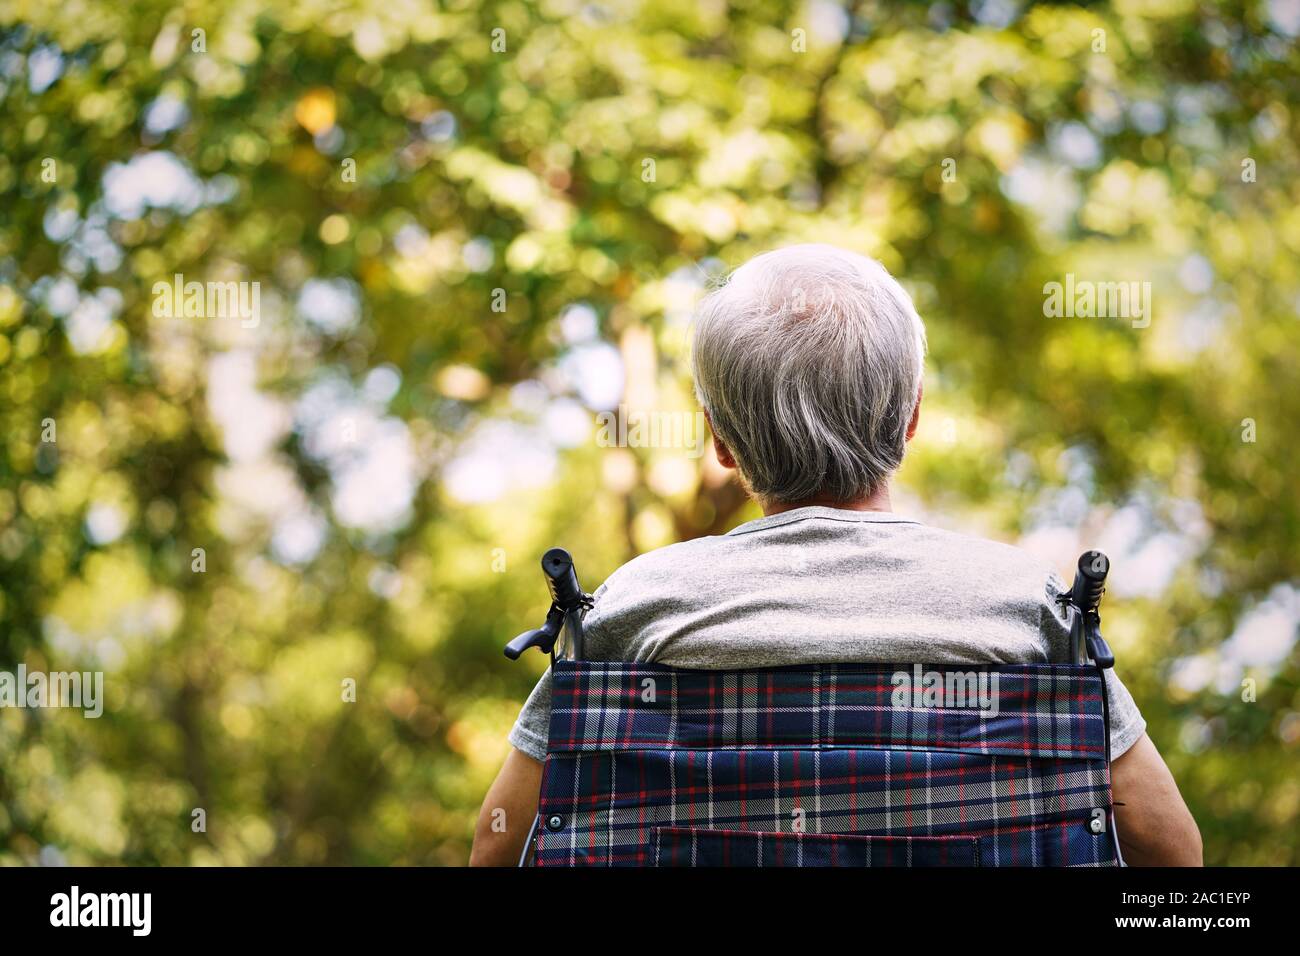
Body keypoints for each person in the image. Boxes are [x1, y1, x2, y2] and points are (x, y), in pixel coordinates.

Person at [470, 244, 1202, 867]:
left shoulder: (637, 606)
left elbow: (496, 842)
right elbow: (1170, 848)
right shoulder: (1025, 605)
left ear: (719, 441)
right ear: (912, 414)